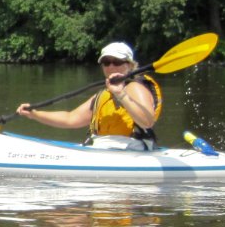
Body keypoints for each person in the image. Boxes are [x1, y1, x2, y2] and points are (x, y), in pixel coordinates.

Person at [16, 42, 163, 150]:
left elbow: (147, 122)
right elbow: (70, 119)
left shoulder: (135, 87)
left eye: (117, 62)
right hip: (104, 149)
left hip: (132, 150)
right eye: (106, 62)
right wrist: (34, 114)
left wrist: (120, 94)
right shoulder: (104, 94)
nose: (111, 67)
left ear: (130, 65)